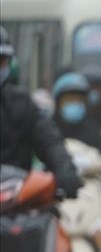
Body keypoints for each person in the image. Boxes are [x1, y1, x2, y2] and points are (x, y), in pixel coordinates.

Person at [0, 25, 82, 197]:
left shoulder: (21, 102)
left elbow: (50, 142)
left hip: (19, 203)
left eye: (1, 61)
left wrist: (65, 173)